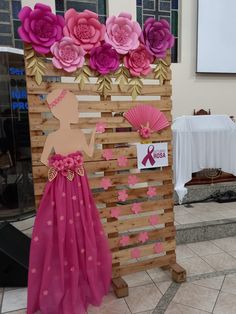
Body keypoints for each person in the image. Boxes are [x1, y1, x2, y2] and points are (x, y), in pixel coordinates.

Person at [27, 89, 112, 314]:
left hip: (72, 185)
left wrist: (93, 134)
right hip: (66, 185)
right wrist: (63, 165)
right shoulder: (57, 137)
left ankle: (78, 275)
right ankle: (66, 276)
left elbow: (86, 153)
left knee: (79, 223)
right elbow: (49, 158)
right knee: (64, 224)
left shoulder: (68, 136)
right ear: (61, 112)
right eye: (73, 108)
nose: (76, 112)